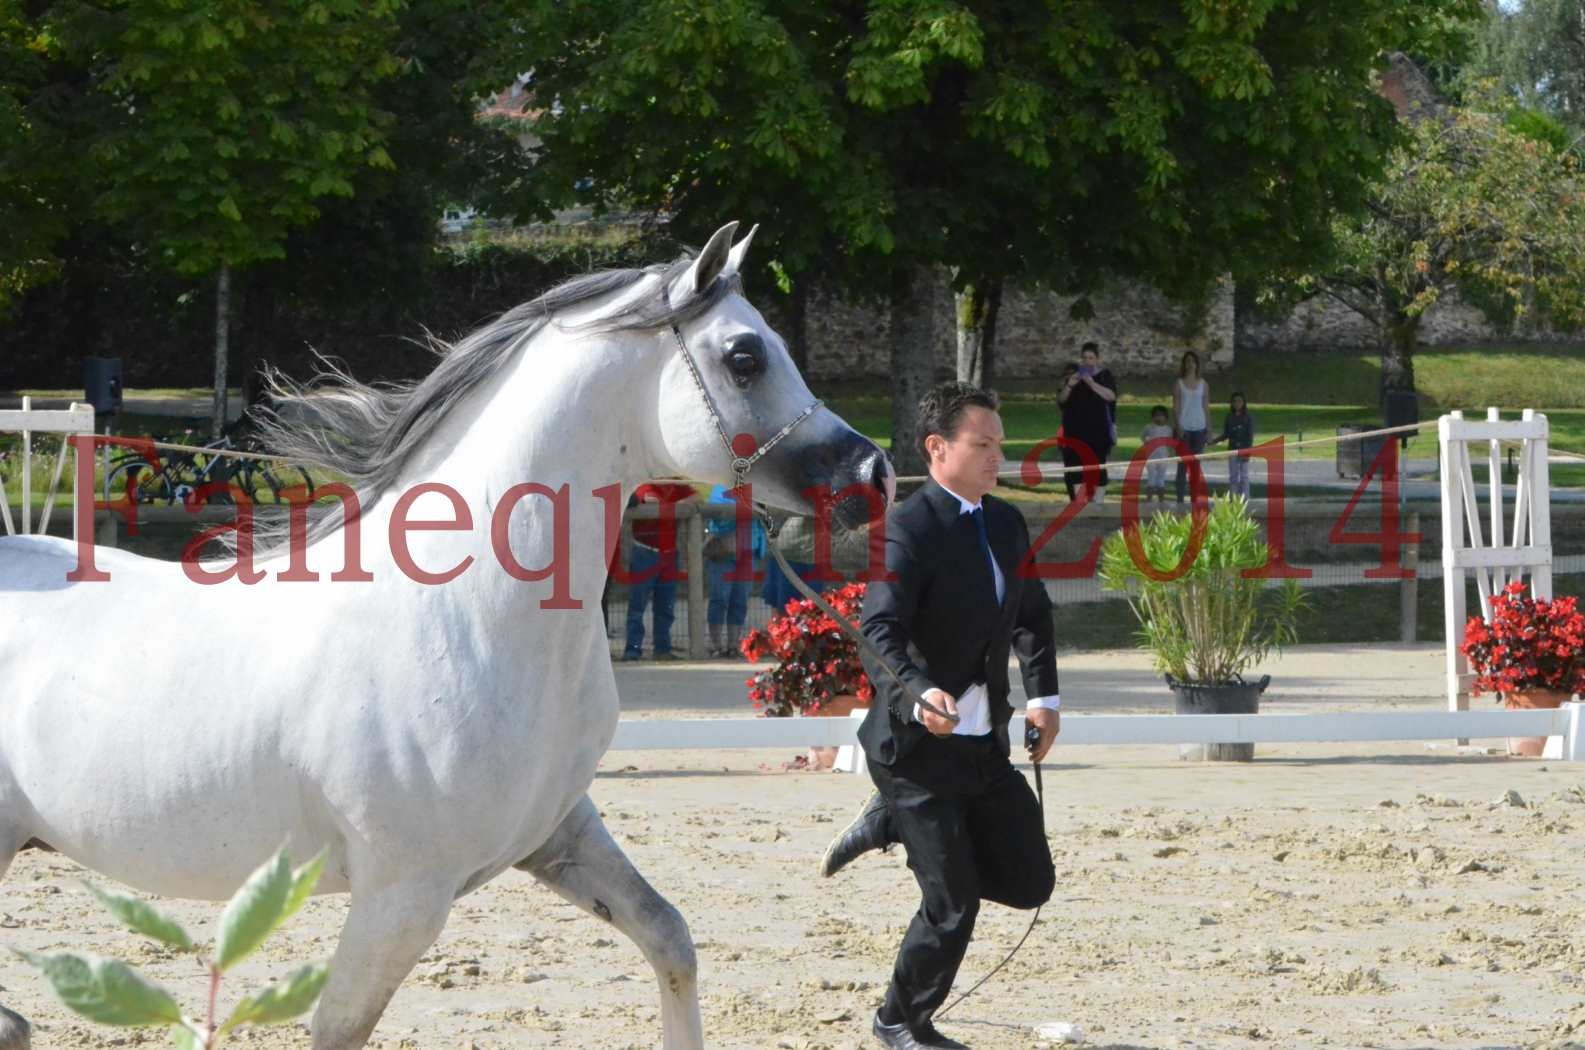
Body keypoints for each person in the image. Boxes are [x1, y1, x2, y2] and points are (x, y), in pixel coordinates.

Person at [820, 382, 1061, 1050]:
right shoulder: (906, 529)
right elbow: (880, 632)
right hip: (914, 750)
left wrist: (1043, 698)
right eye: (981, 445)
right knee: (952, 902)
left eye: (999, 445)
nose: (995, 457)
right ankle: (899, 1020)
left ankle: (890, 822)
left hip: (984, 747)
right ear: (937, 448)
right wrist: (920, 692)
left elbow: (1033, 618)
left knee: (1028, 879)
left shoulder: (1007, 522)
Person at [622, 482, 697, 661]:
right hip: (644, 552)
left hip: (669, 555)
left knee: (666, 606)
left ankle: (662, 649)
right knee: (637, 605)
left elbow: (695, 498)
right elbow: (642, 499)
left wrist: (668, 505)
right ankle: (633, 649)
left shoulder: (676, 485)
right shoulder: (644, 486)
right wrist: (675, 505)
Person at [703, 483, 765, 657]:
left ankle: (733, 645)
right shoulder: (721, 486)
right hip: (724, 551)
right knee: (719, 598)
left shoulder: (758, 487)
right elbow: (717, 513)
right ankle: (715, 644)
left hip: (748, 551)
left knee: (740, 599)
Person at [1056, 342, 1116, 502]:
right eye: (1084, 358)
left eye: (1091, 358)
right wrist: (1070, 385)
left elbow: (1111, 396)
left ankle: (1098, 503)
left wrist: (1092, 383)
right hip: (1075, 432)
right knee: (1075, 468)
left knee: (1098, 467)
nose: (1087, 361)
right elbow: (1061, 400)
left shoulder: (1105, 375)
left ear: (1097, 359)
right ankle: (1079, 503)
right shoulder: (1073, 376)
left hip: (1098, 432)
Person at [1172, 350, 1210, 503]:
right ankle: (1180, 499)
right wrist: (1178, 427)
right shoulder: (1178, 384)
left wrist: (1209, 428)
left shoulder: (1204, 384)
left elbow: (1206, 407)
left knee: (1195, 466)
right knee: (1182, 466)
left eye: (1192, 362)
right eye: (1187, 361)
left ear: (1197, 364)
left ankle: (1194, 499)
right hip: (1184, 429)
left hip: (1199, 429)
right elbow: (1175, 407)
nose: (1190, 365)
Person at [1207, 390, 1255, 500]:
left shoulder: (1248, 417)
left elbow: (1250, 436)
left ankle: (1245, 498)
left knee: (1244, 476)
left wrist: (1247, 451)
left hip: (1244, 449)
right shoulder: (1229, 417)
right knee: (1233, 476)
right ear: (1232, 403)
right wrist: (1214, 441)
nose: (1237, 403)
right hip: (1232, 449)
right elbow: (1226, 434)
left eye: (1240, 401)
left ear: (1244, 402)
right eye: (1235, 401)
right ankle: (1234, 499)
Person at [1141, 404, 1174, 502]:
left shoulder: (1168, 429)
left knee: (1161, 479)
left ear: (1166, 418)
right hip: (1151, 457)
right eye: (1156, 415)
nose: (1159, 418)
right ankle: (1149, 499)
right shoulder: (1148, 427)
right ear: (1152, 417)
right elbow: (1143, 437)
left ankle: (1161, 500)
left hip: (1163, 457)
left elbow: (1170, 442)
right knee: (1151, 478)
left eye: (1161, 415)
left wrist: (1170, 453)